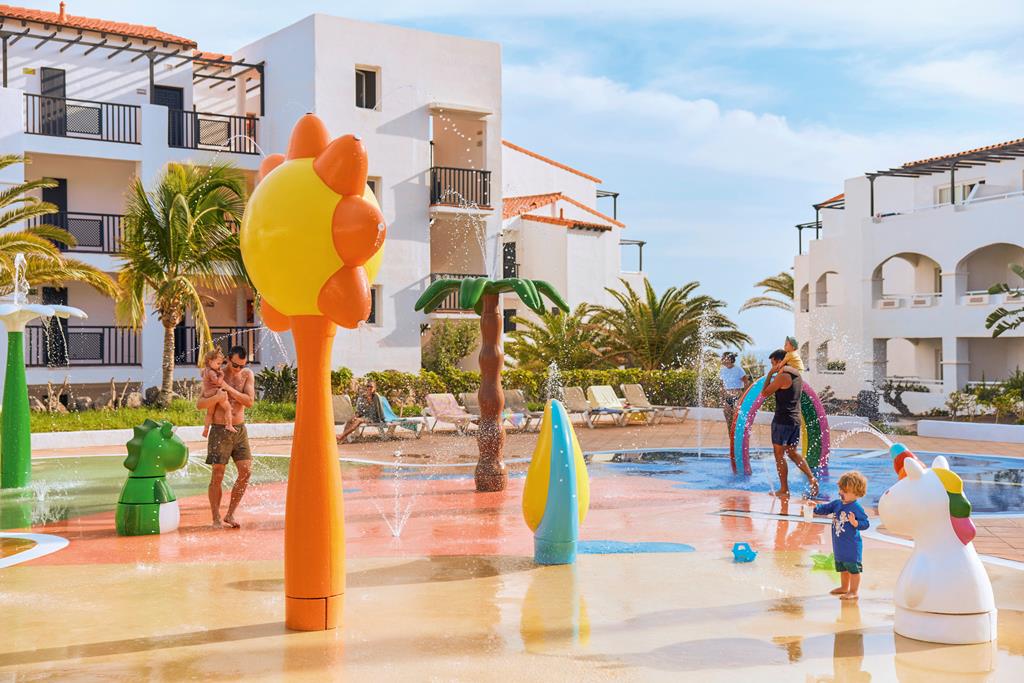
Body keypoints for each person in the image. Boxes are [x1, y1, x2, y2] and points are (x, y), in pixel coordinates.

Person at [197, 345, 255, 529]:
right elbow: (200, 404)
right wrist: (216, 398)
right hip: (220, 430)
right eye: (235, 365)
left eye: (242, 365)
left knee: (246, 471)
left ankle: (230, 514)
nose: (238, 369)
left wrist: (228, 389)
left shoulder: (247, 375)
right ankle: (215, 517)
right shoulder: (215, 373)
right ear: (228, 359)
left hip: (239, 429)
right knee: (218, 474)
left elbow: (249, 401)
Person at [761, 348, 818, 498]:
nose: (773, 366)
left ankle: (784, 490)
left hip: (782, 420)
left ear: (780, 361)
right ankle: (812, 478)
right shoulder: (797, 375)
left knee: (779, 455)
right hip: (795, 420)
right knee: (792, 452)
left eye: (773, 363)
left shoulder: (783, 376)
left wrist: (770, 374)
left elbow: (764, 392)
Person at [808, 471, 870, 600]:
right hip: (839, 546)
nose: (841, 492)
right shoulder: (837, 503)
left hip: (852, 547)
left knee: (853, 569)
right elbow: (825, 509)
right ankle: (844, 587)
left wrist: (855, 523)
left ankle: (853, 591)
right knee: (843, 568)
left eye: (845, 491)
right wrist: (814, 507)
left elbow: (865, 523)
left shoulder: (856, 508)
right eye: (840, 489)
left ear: (856, 493)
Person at [199, 349, 236, 438]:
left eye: (221, 364)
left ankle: (206, 429)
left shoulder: (205, 370)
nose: (220, 366)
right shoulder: (212, 372)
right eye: (218, 363)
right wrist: (221, 375)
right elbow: (218, 382)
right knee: (228, 408)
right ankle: (229, 425)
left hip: (208, 393)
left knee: (210, 413)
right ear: (210, 361)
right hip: (215, 392)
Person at [337, 379, 380, 443]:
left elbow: (377, 410)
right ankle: (344, 438)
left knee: (358, 420)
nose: (369, 388)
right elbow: (360, 410)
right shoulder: (363, 396)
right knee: (350, 419)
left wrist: (369, 400)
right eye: (368, 386)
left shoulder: (376, 396)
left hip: (373, 417)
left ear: (374, 388)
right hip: (364, 417)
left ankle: (341, 436)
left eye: (371, 386)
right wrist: (355, 416)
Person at [719, 351, 750, 432]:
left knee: (737, 420)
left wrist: (743, 396)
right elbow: (721, 385)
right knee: (728, 420)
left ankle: (739, 437)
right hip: (727, 398)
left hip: (737, 398)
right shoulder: (722, 370)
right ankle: (731, 438)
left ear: (730, 359)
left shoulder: (738, 369)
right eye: (723, 358)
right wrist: (722, 398)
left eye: (725, 358)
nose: (723, 360)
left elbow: (746, 382)